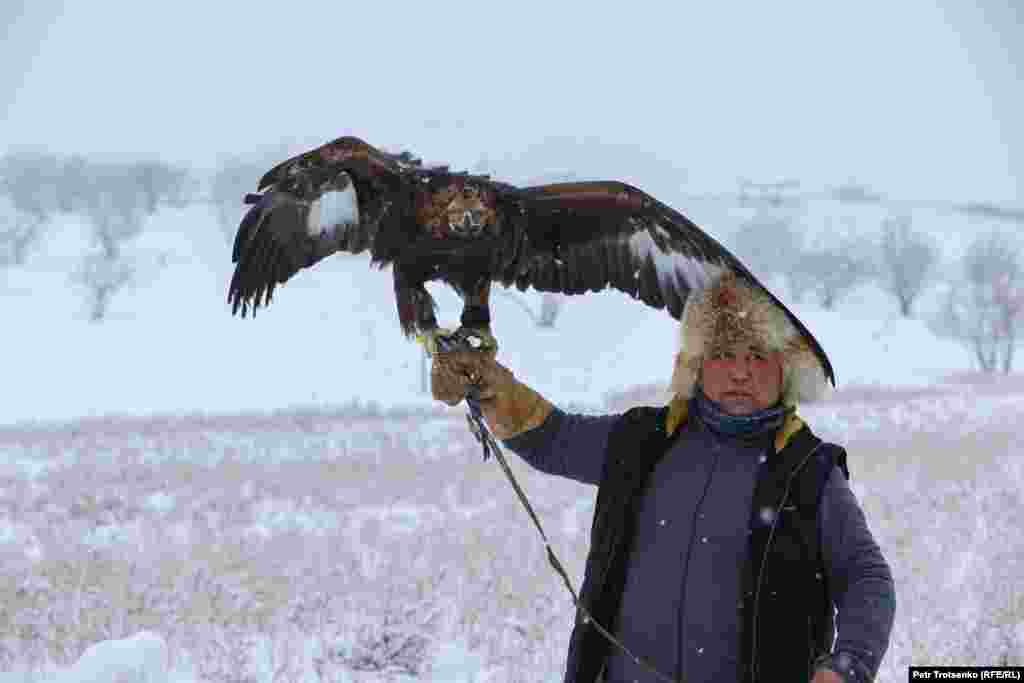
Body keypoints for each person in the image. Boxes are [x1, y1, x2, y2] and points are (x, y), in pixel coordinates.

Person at [431, 272, 896, 683]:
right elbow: (551, 438)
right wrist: (488, 386)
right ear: (695, 365)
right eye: (723, 353)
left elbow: (866, 577)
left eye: (757, 355)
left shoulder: (808, 470)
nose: (740, 371)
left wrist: (847, 666)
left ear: (784, 371)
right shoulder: (641, 441)